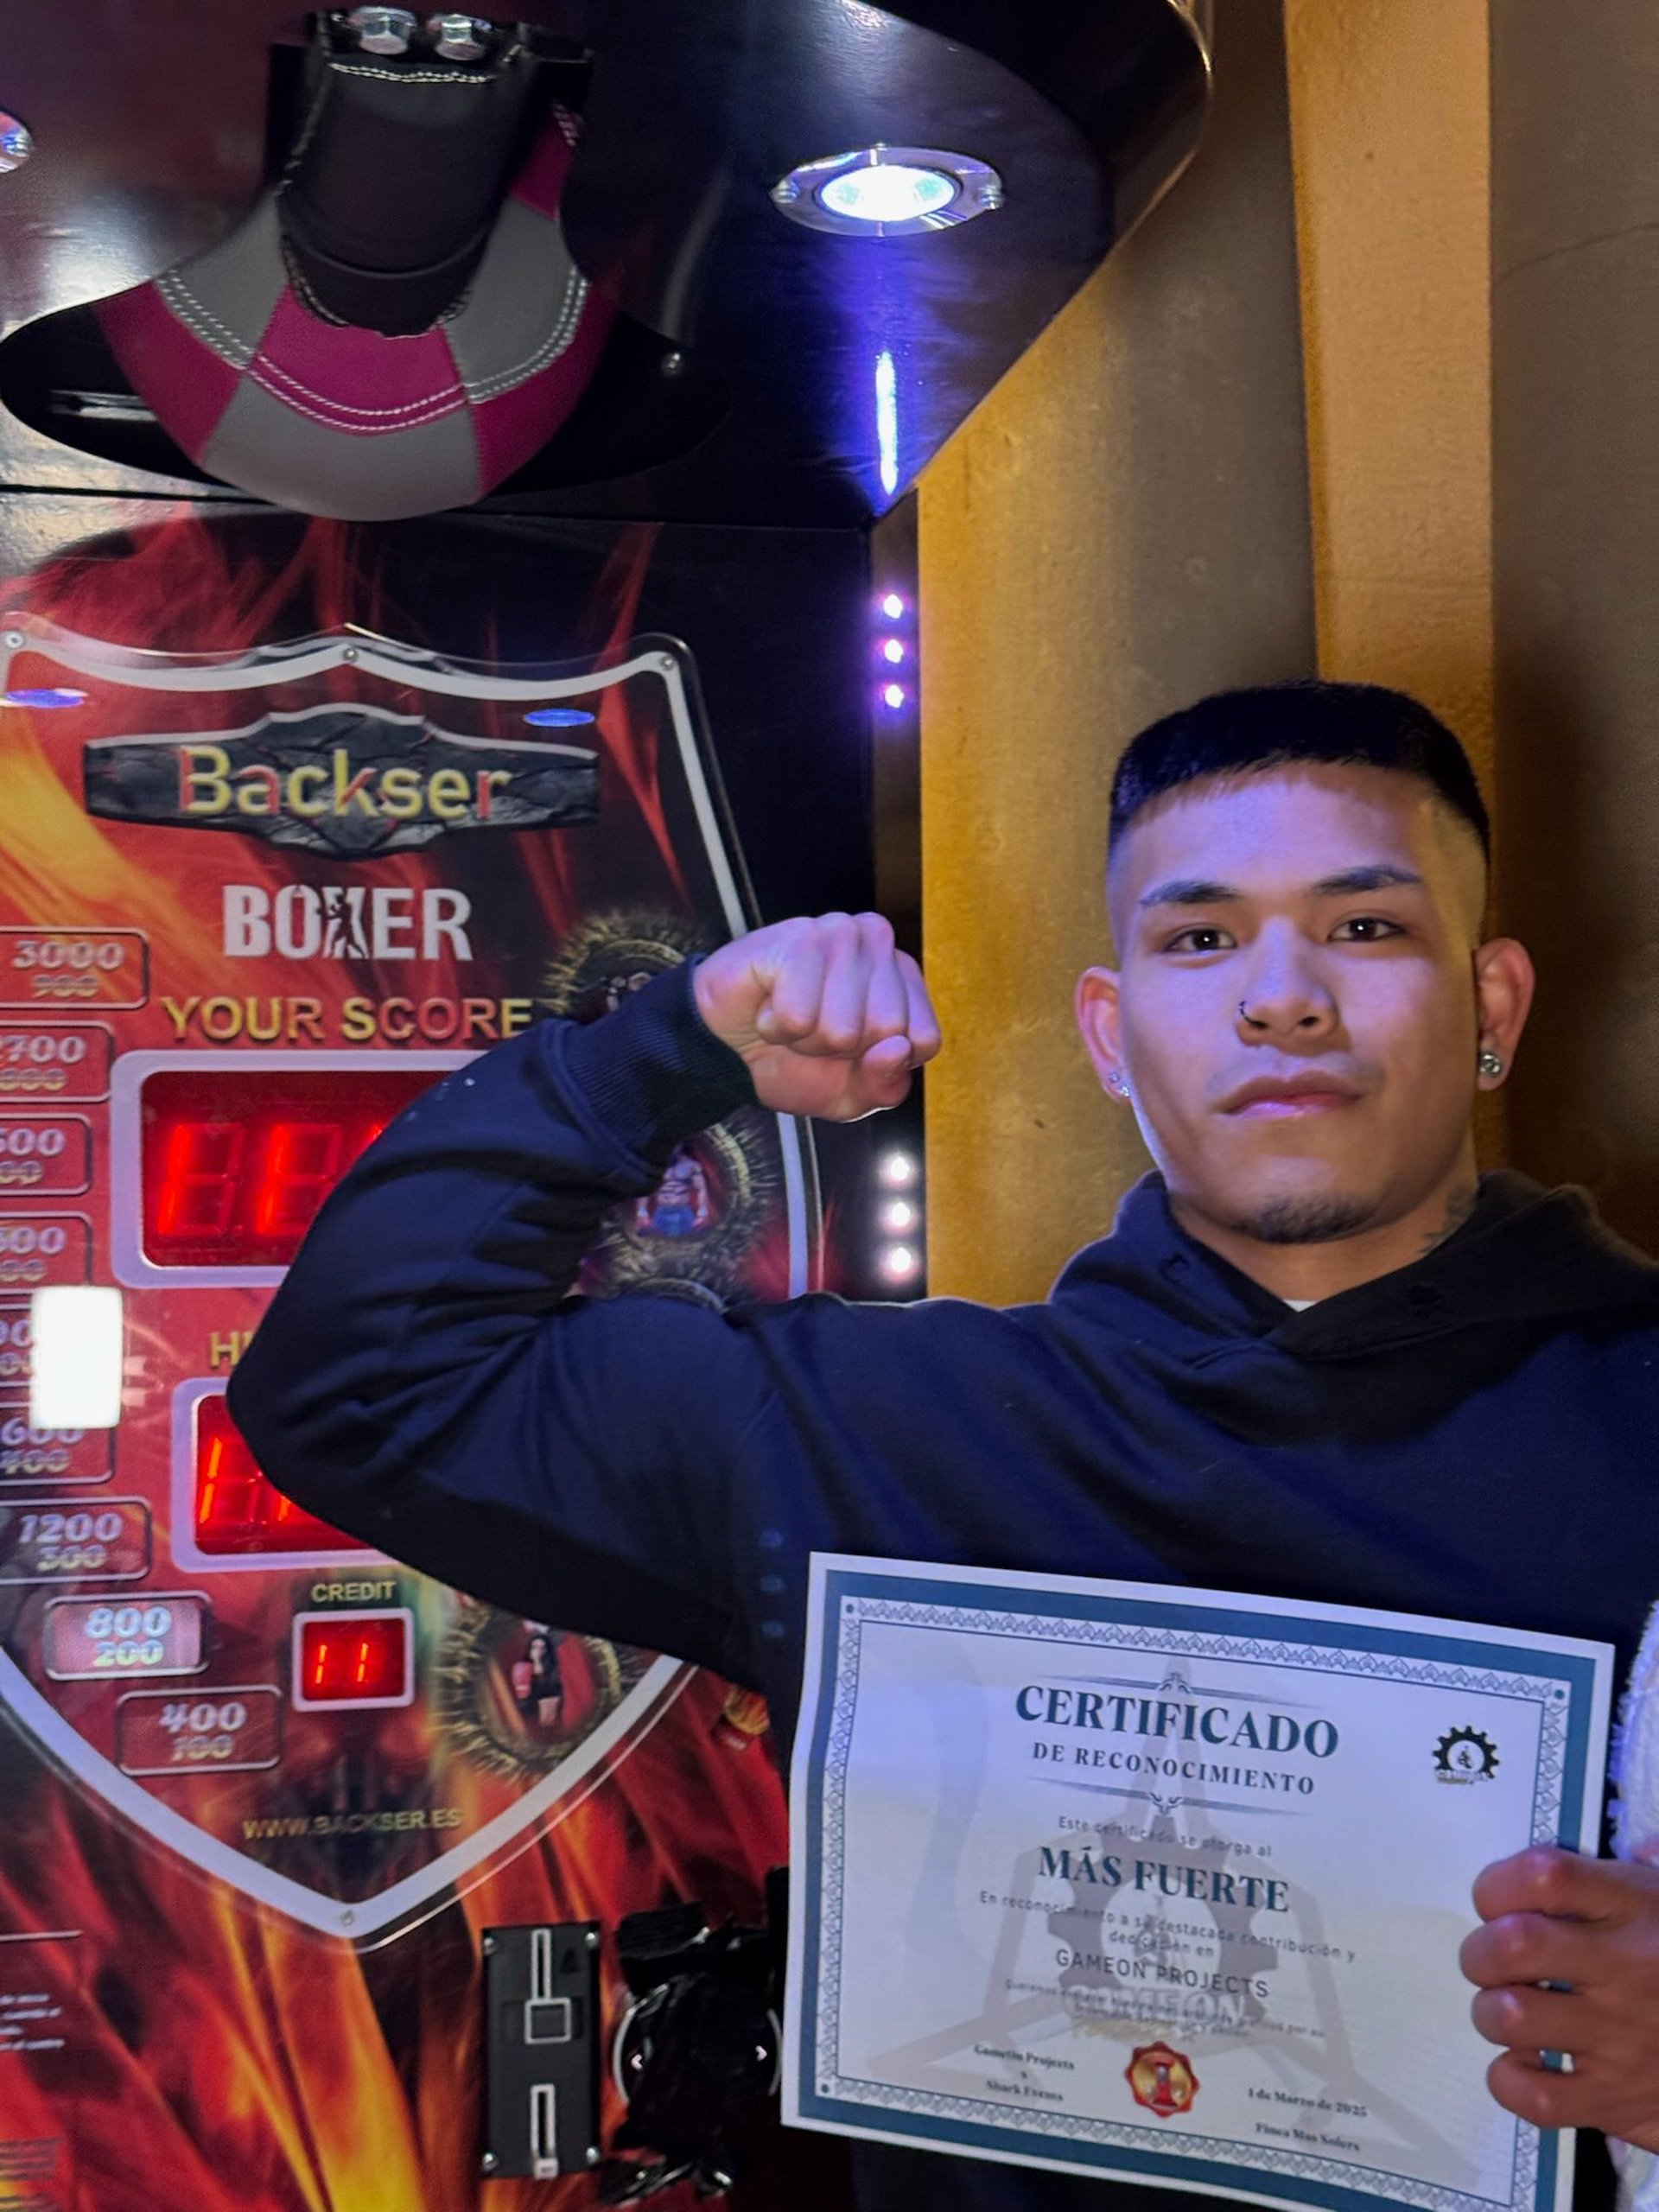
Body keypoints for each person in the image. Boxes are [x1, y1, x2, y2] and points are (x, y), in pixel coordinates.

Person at [228, 681, 1659, 2212]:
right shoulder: (874, 1435)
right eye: (1200, 938)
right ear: (1108, 1035)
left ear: (1492, 1004)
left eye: (1365, 928)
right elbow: (358, 1388)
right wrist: (676, 1047)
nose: (1284, 996)